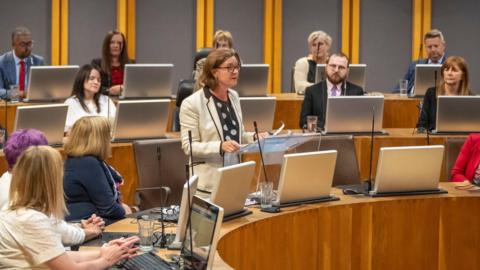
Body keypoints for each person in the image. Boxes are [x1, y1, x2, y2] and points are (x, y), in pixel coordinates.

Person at [0, 145, 139, 269]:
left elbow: (61, 257)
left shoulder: (19, 207)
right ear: (50, 180)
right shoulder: (31, 219)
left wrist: (105, 250)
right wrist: (107, 259)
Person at [0, 129, 104, 246]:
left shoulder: (6, 180)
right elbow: (56, 234)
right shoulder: (25, 191)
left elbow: (50, 225)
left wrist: (79, 226)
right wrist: (91, 231)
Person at [180, 48, 256, 192]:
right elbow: (189, 146)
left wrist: (255, 137)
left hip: (234, 178)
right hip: (207, 186)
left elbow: (237, 136)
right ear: (214, 72)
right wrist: (220, 146)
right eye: (229, 67)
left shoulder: (234, 96)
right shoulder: (192, 104)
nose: (235, 71)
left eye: (237, 67)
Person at [63, 116, 131, 224]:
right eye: (108, 135)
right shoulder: (87, 163)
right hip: (85, 225)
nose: (110, 139)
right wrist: (124, 211)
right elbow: (108, 209)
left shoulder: (79, 159)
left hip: (88, 221)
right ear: (100, 139)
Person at [299, 52, 364, 130]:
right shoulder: (312, 91)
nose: (336, 70)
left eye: (341, 67)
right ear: (326, 67)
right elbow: (303, 121)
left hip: (346, 138)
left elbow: (360, 121)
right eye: (333, 66)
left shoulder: (357, 92)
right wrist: (323, 126)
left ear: (347, 71)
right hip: (320, 138)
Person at [416, 56, 470, 131]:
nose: (449, 73)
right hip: (435, 139)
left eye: (454, 70)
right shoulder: (431, 93)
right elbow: (421, 124)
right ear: (442, 73)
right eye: (446, 70)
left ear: (463, 75)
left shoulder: (470, 97)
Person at [64, 64, 116, 132]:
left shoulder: (106, 100)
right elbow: (67, 129)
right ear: (82, 80)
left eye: (99, 80)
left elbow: (116, 124)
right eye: (92, 78)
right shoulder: (71, 102)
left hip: (105, 140)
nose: (96, 82)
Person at [397, 29, 447, 94]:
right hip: (415, 101)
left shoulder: (451, 66)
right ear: (425, 48)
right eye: (429, 47)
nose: (433, 49)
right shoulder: (415, 65)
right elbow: (398, 90)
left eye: (436, 46)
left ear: (444, 46)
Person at [0, 26, 44, 99]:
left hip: (32, 105)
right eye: (23, 45)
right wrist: (20, 93)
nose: (27, 48)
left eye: (29, 44)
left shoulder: (38, 61)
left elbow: (43, 88)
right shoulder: (2, 62)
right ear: (13, 45)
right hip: (11, 106)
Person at [92, 30, 133, 96]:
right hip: (104, 102)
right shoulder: (97, 64)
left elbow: (135, 87)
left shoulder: (131, 64)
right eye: (112, 42)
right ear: (106, 45)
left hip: (126, 102)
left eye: (119, 43)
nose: (116, 45)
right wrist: (109, 91)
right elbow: (91, 86)